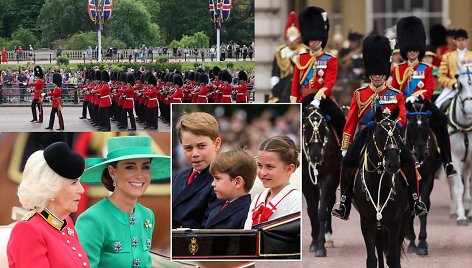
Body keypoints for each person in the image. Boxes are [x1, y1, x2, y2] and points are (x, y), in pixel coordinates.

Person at [331, 35, 428, 220]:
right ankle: (344, 202)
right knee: (346, 163)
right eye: (374, 74)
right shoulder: (360, 94)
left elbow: (402, 117)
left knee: (409, 162)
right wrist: (345, 146)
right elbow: (351, 121)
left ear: (385, 74)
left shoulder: (395, 94)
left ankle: (415, 200)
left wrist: (394, 125)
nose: (376, 77)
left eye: (380, 74)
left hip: (390, 134)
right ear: (369, 74)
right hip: (366, 134)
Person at [76, 136, 170, 268]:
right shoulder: (92, 219)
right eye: (130, 167)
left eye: (145, 167)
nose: (140, 175)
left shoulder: (147, 215)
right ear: (112, 172)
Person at [391, 16, 457, 177]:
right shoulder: (397, 69)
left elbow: (429, 88)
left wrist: (417, 96)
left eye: (415, 50)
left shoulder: (426, 68)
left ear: (419, 50)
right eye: (409, 50)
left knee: (441, 121)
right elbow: (393, 89)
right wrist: (403, 99)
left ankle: (447, 161)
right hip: (403, 105)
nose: (412, 52)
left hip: (422, 104)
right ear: (405, 50)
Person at [7, 142, 89, 267]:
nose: (81, 190)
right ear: (51, 188)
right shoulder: (28, 230)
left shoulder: (66, 223)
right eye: (73, 183)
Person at [290, 6, 345, 143]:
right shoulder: (301, 58)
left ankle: (344, 150)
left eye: (315, 39)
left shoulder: (330, 60)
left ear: (322, 39)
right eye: (310, 39)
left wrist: (318, 98)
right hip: (304, 98)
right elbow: (295, 85)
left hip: (323, 98)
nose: (313, 42)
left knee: (341, 120)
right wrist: (294, 103)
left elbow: (329, 83)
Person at [172, 112, 224, 229]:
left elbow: (208, 230)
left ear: (216, 144)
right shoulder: (179, 177)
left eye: (201, 146)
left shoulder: (222, 181)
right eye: (188, 148)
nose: (195, 154)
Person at [244, 135, 301, 229]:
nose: (262, 173)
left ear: (290, 169)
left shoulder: (295, 200)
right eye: (259, 165)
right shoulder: (258, 199)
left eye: (270, 167)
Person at [205, 149, 257, 229]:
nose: (212, 184)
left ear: (237, 182)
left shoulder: (249, 213)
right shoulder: (215, 210)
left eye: (217, 178)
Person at [270, 11, 309, 103]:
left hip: (301, 82)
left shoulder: (305, 51)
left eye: (294, 40)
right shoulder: (280, 52)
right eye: (290, 40)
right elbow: (275, 70)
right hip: (284, 82)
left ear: (298, 39)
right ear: (286, 39)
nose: (292, 42)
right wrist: (274, 82)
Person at [435, 29, 472, 110]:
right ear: (454, 41)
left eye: (463, 40)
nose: (461, 42)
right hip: (453, 88)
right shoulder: (447, 56)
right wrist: (453, 84)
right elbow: (441, 76)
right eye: (458, 40)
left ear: (467, 41)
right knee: (437, 104)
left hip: (470, 87)